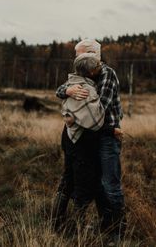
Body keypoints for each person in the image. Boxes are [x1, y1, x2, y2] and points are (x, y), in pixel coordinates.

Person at [53, 39, 126, 246]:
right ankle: (104, 225)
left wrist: (72, 116)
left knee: (110, 184)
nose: (75, 59)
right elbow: (60, 90)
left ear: (94, 54)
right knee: (94, 183)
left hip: (106, 137)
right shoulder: (84, 72)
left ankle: (117, 232)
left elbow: (95, 113)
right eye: (76, 56)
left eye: (79, 55)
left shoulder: (106, 74)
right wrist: (68, 91)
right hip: (89, 137)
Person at [58, 53, 105, 229]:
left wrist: (71, 116)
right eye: (97, 67)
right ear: (91, 72)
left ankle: (56, 222)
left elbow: (67, 104)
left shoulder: (71, 83)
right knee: (83, 185)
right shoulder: (87, 90)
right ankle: (79, 229)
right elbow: (95, 121)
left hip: (70, 139)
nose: (100, 69)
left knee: (67, 180)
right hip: (82, 144)